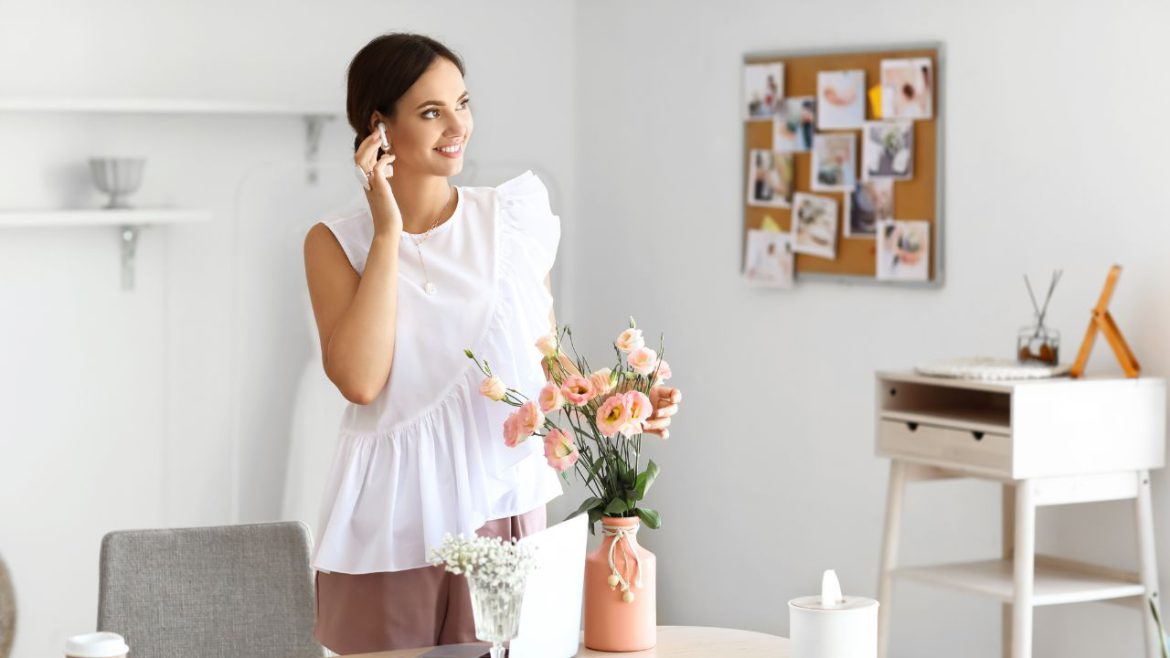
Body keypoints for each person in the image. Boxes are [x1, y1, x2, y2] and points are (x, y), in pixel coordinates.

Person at [302, 33, 682, 654]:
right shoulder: (335, 242)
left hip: (501, 506)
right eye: (432, 112)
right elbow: (361, 382)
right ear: (379, 127)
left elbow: (548, 366)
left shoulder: (512, 220)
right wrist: (388, 232)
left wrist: (629, 402)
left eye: (462, 103)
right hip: (389, 521)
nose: (458, 127)